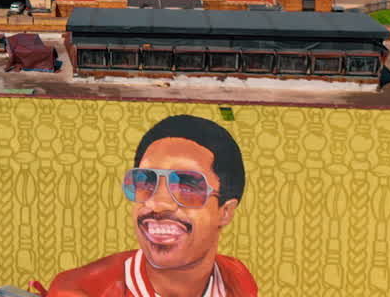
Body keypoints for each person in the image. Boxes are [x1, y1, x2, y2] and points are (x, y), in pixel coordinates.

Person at [47, 114, 258, 297]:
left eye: (187, 186)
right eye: (146, 181)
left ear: (226, 212)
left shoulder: (235, 281)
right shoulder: (80, 291)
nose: (158, 204)